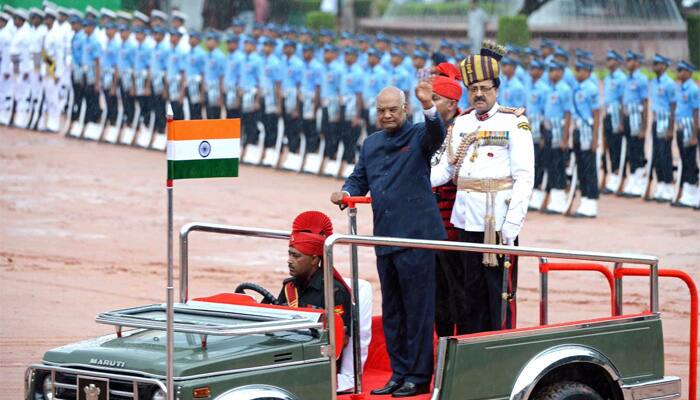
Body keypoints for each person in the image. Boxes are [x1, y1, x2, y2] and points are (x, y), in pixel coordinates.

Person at [331, 83, 446, 397]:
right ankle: (398, 373)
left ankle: (418, 376)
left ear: (405, 109)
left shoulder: (420, 135)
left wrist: (429, 107)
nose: (387, 115)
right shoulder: (371, 144)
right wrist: (346, 193)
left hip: (418, 239)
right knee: (394, 311)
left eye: (393, 109)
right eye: (381, 110)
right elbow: (359, 179)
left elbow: (438, 134)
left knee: (418, 310)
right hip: (385, 238)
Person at [432, 41, 534, 333]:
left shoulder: (515, 122)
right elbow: (445, 170)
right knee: (470, 294)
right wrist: (409, 180)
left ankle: (500, 350)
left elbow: (525, 176)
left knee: (499, 295)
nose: (478, 94)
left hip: (498, 222)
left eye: (485, 88)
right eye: (473, 88)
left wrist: (512, 225)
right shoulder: (462, 123)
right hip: (467, 221)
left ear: (496, 89)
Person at [429, 63, 466, 337]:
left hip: (453, 228)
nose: (429, 105)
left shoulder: (462, 129)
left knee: (456, 297)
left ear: (452, 103)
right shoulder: (431, 128)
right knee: (437, 298)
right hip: (430, 227)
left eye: (435, 99)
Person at [570, 59, 601, 217]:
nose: (578, 73)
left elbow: (597, 114)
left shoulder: (592, 89)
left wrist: (595, 139)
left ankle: (591, 202)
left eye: (581, 70)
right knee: (581, 167)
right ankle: (584, 200)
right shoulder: (576, 87)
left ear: (588, 72)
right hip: (577, 130)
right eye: (577, 70)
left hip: (588, 132)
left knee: (589, 168)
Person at [543, 59, 573, 214]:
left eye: (554, 70)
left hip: (559, 131)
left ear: (561, 72)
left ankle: (560, 198)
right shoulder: (551, 88)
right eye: (550, 70)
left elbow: (568, 114)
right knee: (551, 165)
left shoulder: (565, 89)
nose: (551, 73)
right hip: (549, 130)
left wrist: (565, 139)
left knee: (558, 165)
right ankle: (554, 198)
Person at [620, 50, 649, 197]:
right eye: (627, 60)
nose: (627, 63)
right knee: (630, 149)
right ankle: (633, 178)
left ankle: (640, 180)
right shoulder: (626, 80)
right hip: (627, 117)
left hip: (637, 117)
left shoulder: (641, 79)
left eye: (630, 60)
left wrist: (644, 127)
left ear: (637, 63)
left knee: (638, 149)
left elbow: (645, 103)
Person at [648, 54, 676, 202]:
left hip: (666, 121)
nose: (655, 66)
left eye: (658, 63)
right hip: (656, 121)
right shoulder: (653, 82)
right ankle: (660, 184)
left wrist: (671, 128)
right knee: (657, 154)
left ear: (664, 66)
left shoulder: (669, 83)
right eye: (654, 63)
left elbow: (673, 106)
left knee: (665, 154)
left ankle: (669, 186)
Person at [672, 61, 699, 208]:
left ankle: (691, 192)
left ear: (688, 72)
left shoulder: (693, 89)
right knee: (684, 158)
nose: (679, 72)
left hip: (689, 126)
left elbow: (696, 112)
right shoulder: (680, 88)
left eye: (681, 70)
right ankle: (688, 193)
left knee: (689, 160)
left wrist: (695, 135)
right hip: (681, 126)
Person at [526, 59, 551, 210]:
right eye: (531, 67)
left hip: (541, 129)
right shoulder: (531, 86)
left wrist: (543, 135)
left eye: (535, 68)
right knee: (532, 162)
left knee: (541, 162)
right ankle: (533, 192)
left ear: (541, 71)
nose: (532, 70)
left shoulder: (544, 89)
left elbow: (545, 114)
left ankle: (540, 191)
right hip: (531, 127)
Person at [602, 50, 627, 194]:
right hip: (609, 115)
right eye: (607, 59)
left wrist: (622, 121)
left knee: (618, 148)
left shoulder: (621, 79)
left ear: (617, 61)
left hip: (618, 116)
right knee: (610, 147)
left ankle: (620, 178)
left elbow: (624, 100)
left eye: (611, 59)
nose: (608, 62)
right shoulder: (607, 78)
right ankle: (612, 176)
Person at [203, 30, 225, 120]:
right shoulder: (207, 55)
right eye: (207, 39)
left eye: (210, 39)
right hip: (208, 88)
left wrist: (221, 95)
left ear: (216, 42)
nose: (207, 42)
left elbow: (222, 76)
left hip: (216, 89)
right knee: (208, 114)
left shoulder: (220, 56)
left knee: (215, 116)